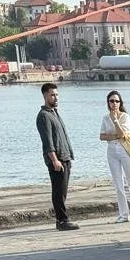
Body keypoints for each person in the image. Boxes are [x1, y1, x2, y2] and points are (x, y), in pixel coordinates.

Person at [98, 91, 130, 222]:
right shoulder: (105, 118)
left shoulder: (125, 117)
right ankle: (123, 214)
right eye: (111, 101)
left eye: (116, 101)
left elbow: (123, 134)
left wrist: (115, 121)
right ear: (108, 103)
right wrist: (115, 136)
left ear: (120, 103)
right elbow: (102, 136)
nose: (114, 104)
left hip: (125, 149)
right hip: (111, 150)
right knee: (118, 184)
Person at [36, 83, 77, 231]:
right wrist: (55, 160)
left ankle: (62, 219)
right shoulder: (44, 116)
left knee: (63, 190)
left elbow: (63, 137)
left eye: (57, 94)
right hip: (57, 159)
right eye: (52, 95)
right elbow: (48, 141)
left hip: (64, 157)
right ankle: (62, 221)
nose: (55, 97)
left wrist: (70, 156)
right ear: (45, 96)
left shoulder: (55, 113)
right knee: (58, 191)